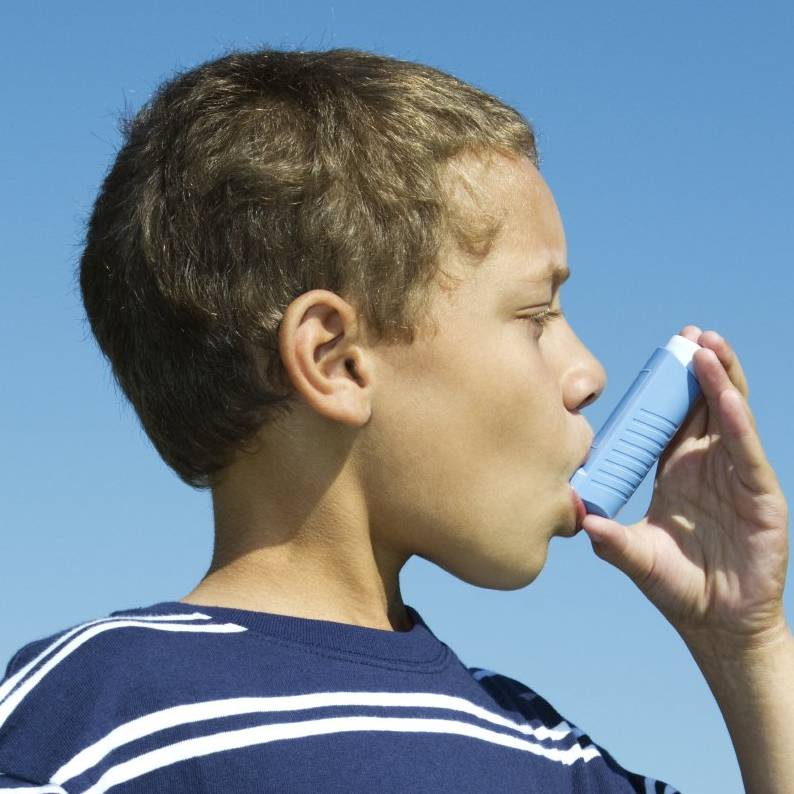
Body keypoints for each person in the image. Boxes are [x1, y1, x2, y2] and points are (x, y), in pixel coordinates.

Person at [0, 48, 790, 794]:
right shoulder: (91, 721)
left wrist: (747, 644)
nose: (588, 375)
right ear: (337, 361)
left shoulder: (547, 750)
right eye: (536, 315)